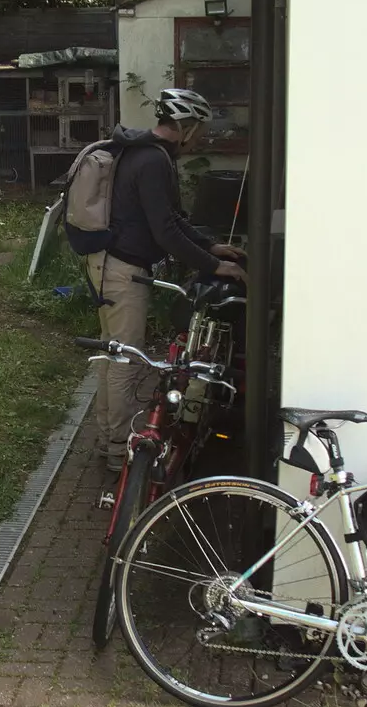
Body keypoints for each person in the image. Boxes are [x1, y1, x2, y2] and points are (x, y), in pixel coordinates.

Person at [87, 88, 247, 471]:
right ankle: (116, 453)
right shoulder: (153, 161)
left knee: (114, 357)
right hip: (124, 272)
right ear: (185, 126)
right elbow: (166, 233)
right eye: (199, 129)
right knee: (127, 360)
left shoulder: (144, 152)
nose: (201, 137)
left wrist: (211, 246)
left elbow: (172, 220)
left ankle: (108, 440)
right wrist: (213, 265)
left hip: (107, 264)